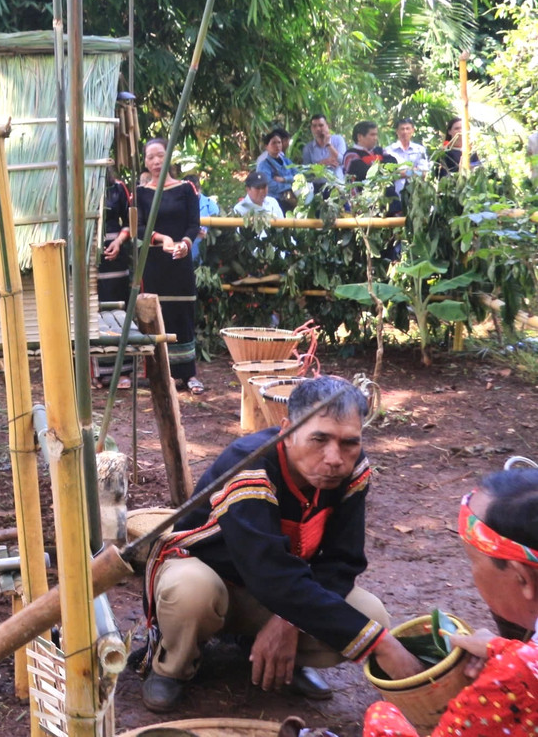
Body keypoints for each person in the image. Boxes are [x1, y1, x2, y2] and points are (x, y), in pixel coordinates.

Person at [139, 376, 426, 712]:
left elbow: (342, 562)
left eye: (349, 442)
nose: (334, 457)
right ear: (288, 431)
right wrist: (383, 647)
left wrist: (290, 621)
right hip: (210, 579)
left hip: (274, 591)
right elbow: (268, 573)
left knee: (371, 614)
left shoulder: (352, 470)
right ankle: (173, 665)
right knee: (190, 589)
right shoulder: (248, 466)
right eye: (319, 439)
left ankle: (266, 651)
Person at [363, 468, 538, 736]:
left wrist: (511, 666)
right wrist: (502, 648)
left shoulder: (513, 682)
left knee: (382, 715)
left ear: (522, 578)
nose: (472, 574)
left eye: (474, 561)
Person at [136, 138, 204, 394]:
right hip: (154, 263)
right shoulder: (141, 193)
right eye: (150, 157)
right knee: (157, 315)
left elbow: (193, 224)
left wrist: (184, 244)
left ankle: (188, 374)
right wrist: (162, 239)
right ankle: (161, 374)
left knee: (182, 313)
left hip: (180, 261)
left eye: (160, 156)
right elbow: (139, 227)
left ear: (169, 158)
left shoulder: (186, 189)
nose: (155, 162)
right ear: (145, 161)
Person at [96, 170, 134, 389]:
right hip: (84, 256)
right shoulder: (69, 182)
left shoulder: (117, 187)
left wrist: (119, 241)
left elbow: (129, 222)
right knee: (90, 311)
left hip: (114, 257)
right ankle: (96, 372)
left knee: (116, 311)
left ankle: (122, 371)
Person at [256, 127, 299, 210]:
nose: (277, 145)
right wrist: (289, 185)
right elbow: (269, 184)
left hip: (290, 200)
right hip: (273, 202)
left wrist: (284, 179)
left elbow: (298, 176)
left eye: (279, 142)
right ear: (266, 146)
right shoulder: (263, 165)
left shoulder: (287, 161)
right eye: (273, 143)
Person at [383, 118, 429, 192]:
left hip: (414, 194)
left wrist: (401, 172)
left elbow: (423, 173)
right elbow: (388, 175)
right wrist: (413, 170)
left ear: (412, 130)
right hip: (394, 193)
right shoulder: (388, 151)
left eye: (408, 129)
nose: (405, 132)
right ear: (397, 131)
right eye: (402, 129)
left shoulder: (420, 150)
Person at [300, 113, 348, 184]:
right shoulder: (308, 148)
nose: (318, 129)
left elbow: (344, 161)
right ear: (311, 128)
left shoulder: (338, 140)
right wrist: (320, 164)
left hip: (337, 185)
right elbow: (306, 173)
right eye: (314, 126)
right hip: (318, 186)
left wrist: (328, 145)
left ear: (327, 126)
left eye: (321, 125)